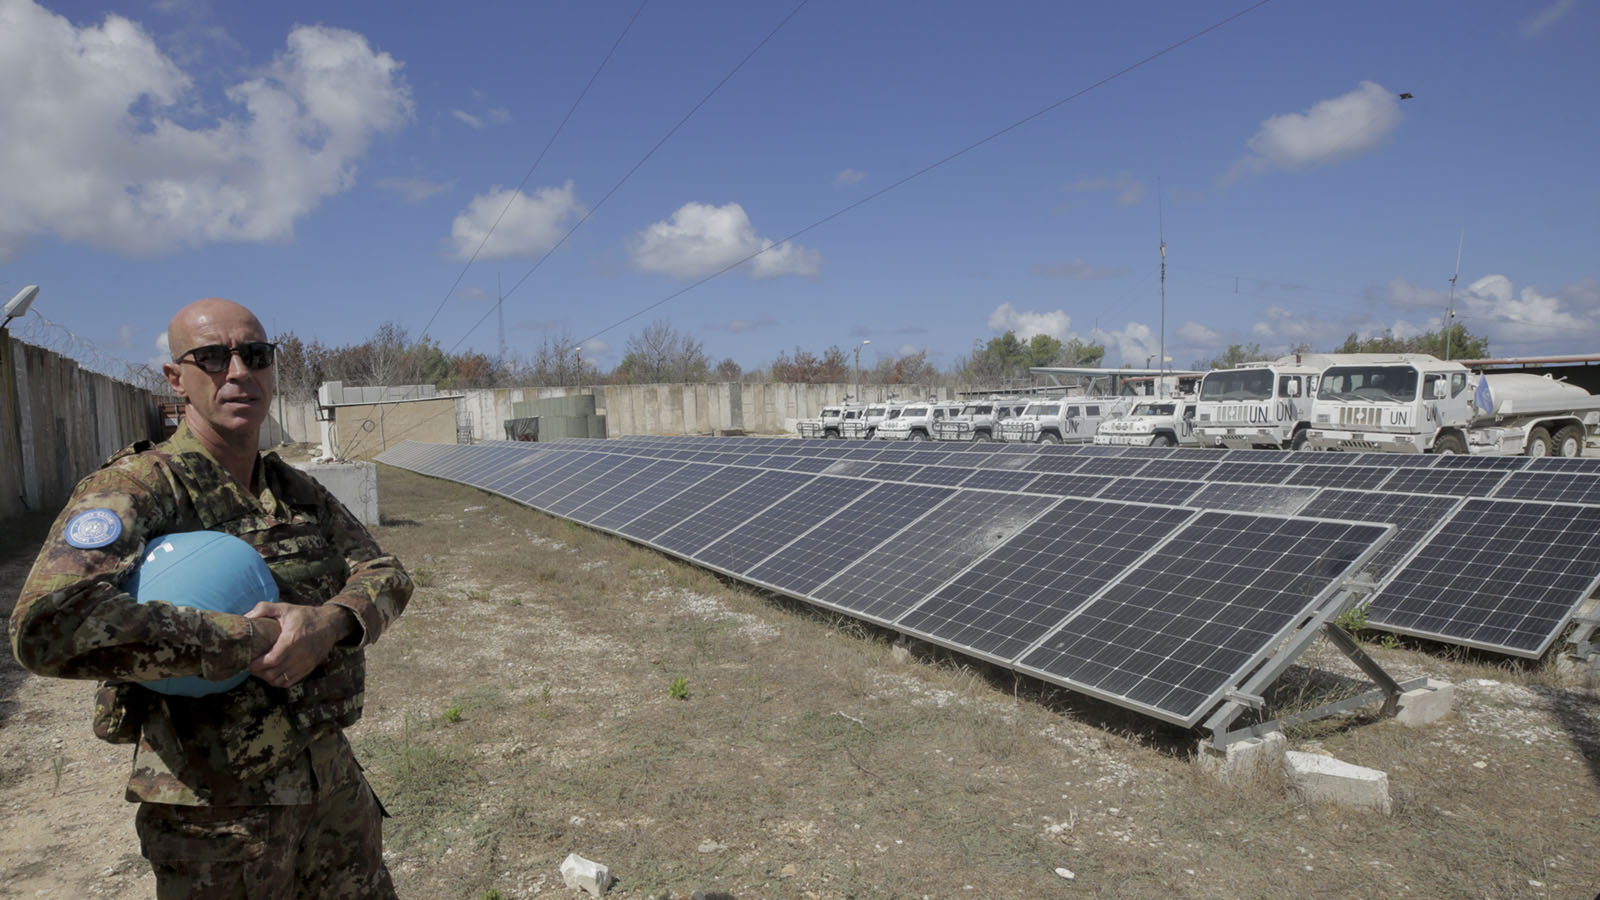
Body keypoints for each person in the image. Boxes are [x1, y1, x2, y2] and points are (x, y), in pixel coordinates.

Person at [10, 298, 413, 899]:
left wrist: (329, 623)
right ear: (176, 378)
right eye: (211, 358)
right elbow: (49, 625)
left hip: (327, 779)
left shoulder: (292, 489)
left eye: (254, 355)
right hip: (218, 816)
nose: (238, 372)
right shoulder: (139, 486)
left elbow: (386, 571)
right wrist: (248, 638)